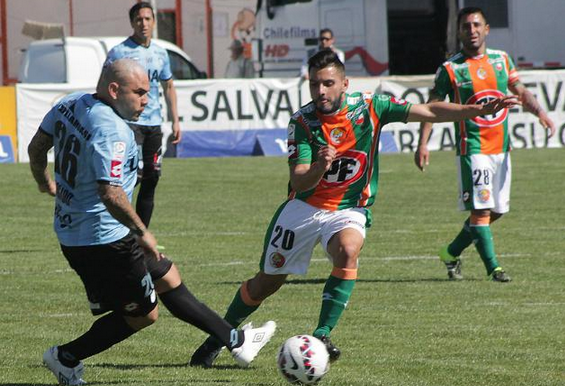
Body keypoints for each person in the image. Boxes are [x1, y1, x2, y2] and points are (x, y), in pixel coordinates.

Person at [189, 50, 518, 367]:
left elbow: (429, 111)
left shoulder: (371, 108)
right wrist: (319, 165)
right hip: (304, 208)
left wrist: (474, 111)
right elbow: (300, 181)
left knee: (347, 249)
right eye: (315, 84)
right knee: (266, 283)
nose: (321, 91)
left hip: (349, 208)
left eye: (328, 83)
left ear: (345, 84)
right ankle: (217, 338)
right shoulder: (303, 122)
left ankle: (322, 334)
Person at [28, 59, 275, 385]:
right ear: (115, 89)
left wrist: (44, 181)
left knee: (167, 276)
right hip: (103, 241)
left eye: (150, 92)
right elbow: (111, 193)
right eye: (140, 92)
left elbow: (36, 147)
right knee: (144, 315)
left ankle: (237, 342)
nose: (147, 100)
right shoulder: (112, 129)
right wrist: (141, 231)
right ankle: (65, 357)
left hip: (84, 231)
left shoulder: (69, 102)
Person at [414, 7, 555, 282]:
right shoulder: (451, 68)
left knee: (497, 210)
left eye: (477, 25)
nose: (472, 30)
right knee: (480, 211)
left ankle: (450, 252)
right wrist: (423, 143)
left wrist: (540, 113)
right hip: (473, 149)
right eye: (466, 26)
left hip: (501, 148)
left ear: (486, 29)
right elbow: (431, 107)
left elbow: (520, 90)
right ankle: (494, 269)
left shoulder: (501, 60)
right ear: (459, 32)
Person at [105, 2, 182, 228]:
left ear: (154, 22)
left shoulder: (160, 53)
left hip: (154, 126)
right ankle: (117, 231)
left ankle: (141, 236)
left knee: (152, 177)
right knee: (131, 177)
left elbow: (168, 86)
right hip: (129, 124)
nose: (144, 24)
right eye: (139, 19)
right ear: (132, 23)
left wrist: (175, 119)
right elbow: (105, 86)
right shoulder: (119, 52)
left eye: (148, 19)